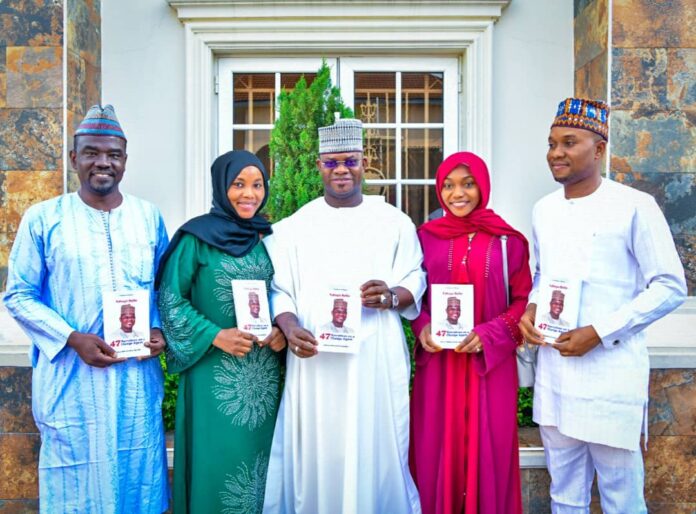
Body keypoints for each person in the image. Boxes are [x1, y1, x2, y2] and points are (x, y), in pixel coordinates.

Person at [518, 98, 687, 513]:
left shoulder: (634, 206)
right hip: (556, 377)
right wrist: (532, 308)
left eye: (568, 142)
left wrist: (600, 332)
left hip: (609, 377)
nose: (555, 152)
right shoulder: (544, 210)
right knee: (565, 495)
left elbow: (670, 286)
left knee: (621, 499)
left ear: (599, 149)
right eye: (551, 143)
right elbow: (542, 275)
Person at [3, 105, 170, 513]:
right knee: (75, 483)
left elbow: (166, 288)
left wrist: (160, 329)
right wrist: (71, 339)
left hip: (134, 381)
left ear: (125, 161)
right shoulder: (44, 219)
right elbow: (19, 295)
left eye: (113, 154)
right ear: (74, 158)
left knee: (137, 476)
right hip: (72, 382)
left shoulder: (148, 217)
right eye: (92, 152)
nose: (103, 162)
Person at [262, 117, 426, 513]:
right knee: (319, 445)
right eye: (331, 162)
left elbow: (414, 278)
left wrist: (389, 296)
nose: (341, 170)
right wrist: (290, 325)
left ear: (363, 163)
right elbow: (279, 290)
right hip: (316, 360)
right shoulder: (293, 227)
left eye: (350, 161)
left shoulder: (394, 222)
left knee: (375, 442)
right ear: (318, 165)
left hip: (374, 357)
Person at [156, 150, 286, 514]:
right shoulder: (194, 238)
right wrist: (215, 334)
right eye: (238, 184)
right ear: (220, 186)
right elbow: (169, 299)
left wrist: (280, 330)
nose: (250, 194)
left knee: (261, 470)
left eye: (257, 185)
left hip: (263, 379)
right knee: (215, 463)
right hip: (213, 374)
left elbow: (283, 294)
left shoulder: (269, 238)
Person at [410, 151, 531, 514]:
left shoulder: (510, 241)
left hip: (489, 367)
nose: (456, 193)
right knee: (434, 450)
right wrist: (422, 326)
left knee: (490, 450)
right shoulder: (424, 238)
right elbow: (415, 296)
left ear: (483, 186)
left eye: (467, 184)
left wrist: (492, 333)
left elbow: (524, 300)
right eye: (448, 185)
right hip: (440, 367)